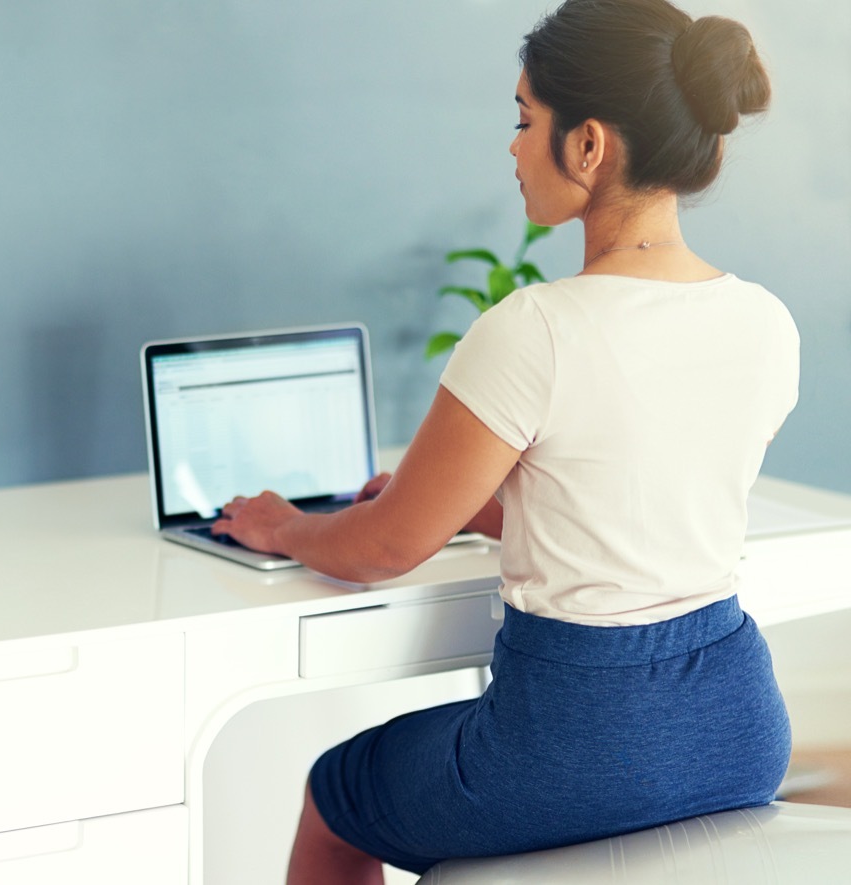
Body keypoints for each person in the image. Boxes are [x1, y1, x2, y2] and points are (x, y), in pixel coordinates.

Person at [210, 1, 801, 882]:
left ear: (590, 144)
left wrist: (283, 525)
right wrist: (482, 508)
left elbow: (382, 550)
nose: (514, 145)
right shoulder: (764, 320)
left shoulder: (535, 327)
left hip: (574, 746)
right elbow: (634, 501)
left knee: (337, 796)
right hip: (739, 732)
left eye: (527, 120)